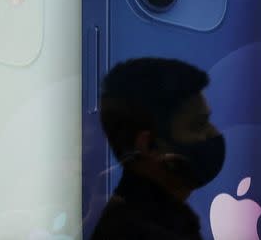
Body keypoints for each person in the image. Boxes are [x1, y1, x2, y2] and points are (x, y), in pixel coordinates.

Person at [91, 58, 225, 240]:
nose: (213, 133)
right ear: (149, 145)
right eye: (199, 125)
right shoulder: (142, 231)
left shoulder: (165, 219)